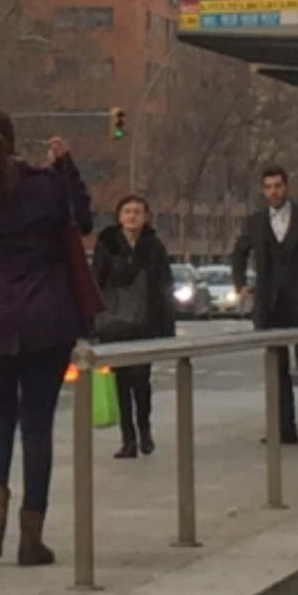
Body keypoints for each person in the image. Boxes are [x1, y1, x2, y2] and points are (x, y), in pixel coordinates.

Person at [0, 109, 92, 566]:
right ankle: (33, 535)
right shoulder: (47, 187)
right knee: (36, 426)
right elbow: (82, 222)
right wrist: (66, 167)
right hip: (46, 320)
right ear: (12, 141)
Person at [230, 165, 298, 444]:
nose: (273, 192)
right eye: (268, 187)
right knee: (277, 368)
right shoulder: (255, 222)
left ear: (286, 187)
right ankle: (284, 428)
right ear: (264, 190)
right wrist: (240, 284)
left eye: (278, 186)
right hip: (271, 303)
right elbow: (238, 254)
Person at [91, 194, 175, 459]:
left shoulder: (154, 247)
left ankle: (144, 429)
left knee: (141, 379)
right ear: (119, 217)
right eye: (127, 211)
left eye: (138, 211)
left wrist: (165, 327)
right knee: (121, 381)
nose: (132, 216)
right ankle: (128, 439)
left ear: (146, 216)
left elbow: (164, 286)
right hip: (115, 323)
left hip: (145, 323)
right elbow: (96, 282)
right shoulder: (107, 244)